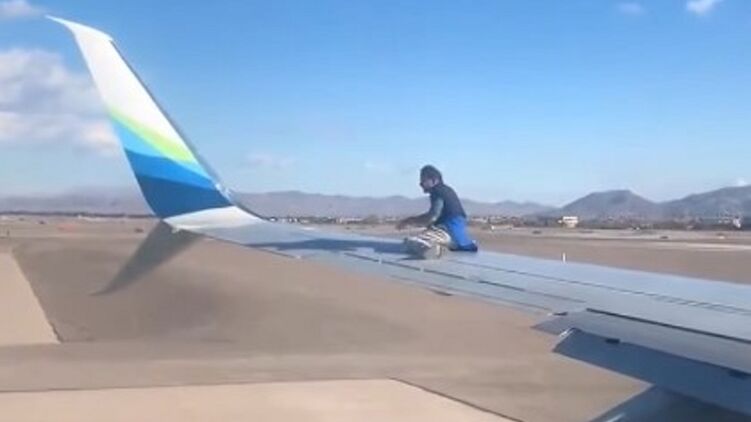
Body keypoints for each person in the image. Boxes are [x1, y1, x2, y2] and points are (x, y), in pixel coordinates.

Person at [396, 165, 478, 259]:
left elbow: (432, 216)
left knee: (411, 242)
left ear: (434, 180)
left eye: (423, 181)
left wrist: (409, 221)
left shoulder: (437, 190)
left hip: (447, 231)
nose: (421, 184)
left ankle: (436, 249)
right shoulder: (447, 190)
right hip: (459, 236)